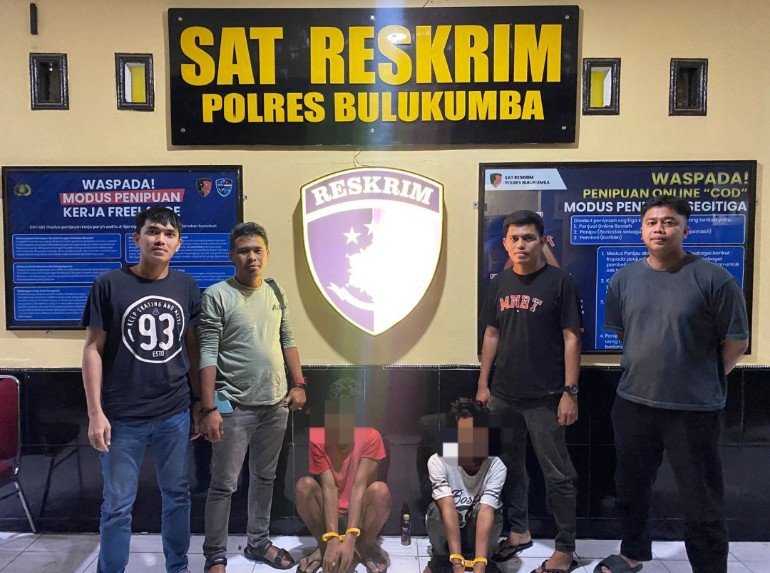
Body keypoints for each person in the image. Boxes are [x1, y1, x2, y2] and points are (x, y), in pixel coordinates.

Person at [595, 197, 749, 573]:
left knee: (701, 499)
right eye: (652, 222)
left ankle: (709, 568)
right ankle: (632, 554)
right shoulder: (623, 279)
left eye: (669, 222)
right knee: (630, 488)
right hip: (634, 402)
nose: (659, 229)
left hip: (693, 409)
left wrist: (702, 377)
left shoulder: (714, 278)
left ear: (685, 229)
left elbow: (736, 341)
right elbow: (624, 333)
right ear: (641, 230)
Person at [81, 206, 200, 573]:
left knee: (177, 496)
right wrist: (95, 412)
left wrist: (201, 402)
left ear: (178, 244)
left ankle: (177, 567)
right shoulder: (108, 284)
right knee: (117, 505)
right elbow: (92, 349)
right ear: (137, 238)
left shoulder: (187, 286)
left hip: (174, 413)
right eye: (152, 231)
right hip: (121, 417)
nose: (160, 239)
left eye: (168, 233)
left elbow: (193, 348)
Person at [476, 210, 582, 573]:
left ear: (541, 241)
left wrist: (570, 392)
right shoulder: (499, 283)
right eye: (514, 238)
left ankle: (565, 548)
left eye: (528, 237)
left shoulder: (560, 282)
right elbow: (491, 334)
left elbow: (572, 338)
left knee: (558, 475)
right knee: (508, 468)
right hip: (503, 394)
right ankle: (519, 531)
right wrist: (483, 385)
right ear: (506, 243)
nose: (521, 244)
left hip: (547, 397)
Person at [197, 222, 306, 572]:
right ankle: (215, 555)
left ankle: (258, 543)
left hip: (275, 405)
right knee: (223, 485)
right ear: (232, 256)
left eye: (257, 250)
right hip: (232, 407)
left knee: (264, 478)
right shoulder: (216, 295)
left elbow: (287, 338)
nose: (251, 257)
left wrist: (299, 383)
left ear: (267, 254)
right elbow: (207, 353)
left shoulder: (275, 291)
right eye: (244, 251)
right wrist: (208, 407)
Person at [294, 378, 391, 573]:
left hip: (359, 514)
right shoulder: (319, 437)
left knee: (381, 491)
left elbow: (359, 486)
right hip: (329, 513)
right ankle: (324, 548)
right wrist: (331, 538)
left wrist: (351, 535)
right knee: (304, 486)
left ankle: (362, 547)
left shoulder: (371, 436)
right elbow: (328, 487)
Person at [425, 399, 506, 573]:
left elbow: (486, 511)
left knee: (496, 511)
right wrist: (457, 562)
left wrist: (480, 563)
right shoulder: (439, 460)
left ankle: (483, 558)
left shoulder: (496, 466)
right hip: (449, 535)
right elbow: (447, 507)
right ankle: (442, 558)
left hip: (475, 532)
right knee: (436, 510)